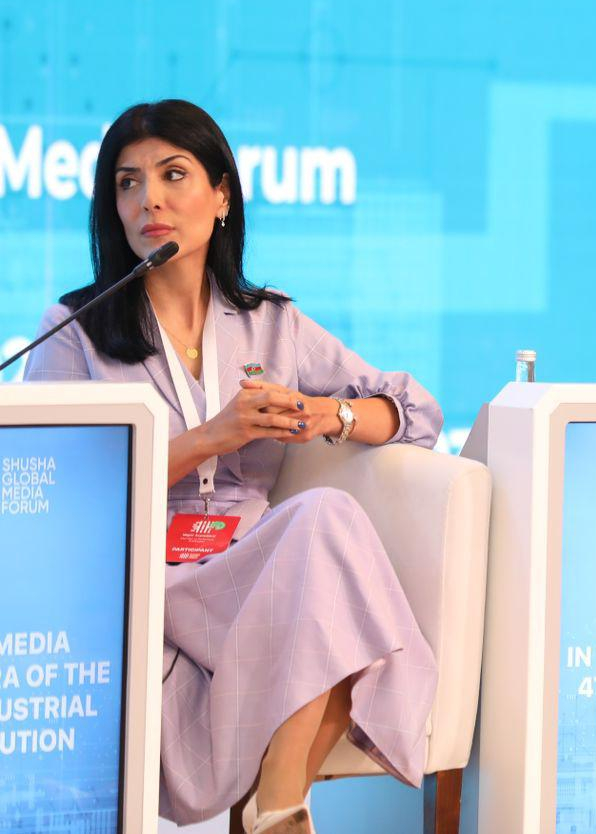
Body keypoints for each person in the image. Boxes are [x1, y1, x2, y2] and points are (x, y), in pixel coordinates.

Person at [24, 99, 439, 834]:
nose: (148, 200)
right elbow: (60, 496)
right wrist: (209, 438)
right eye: (127, 183)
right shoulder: (74, 330)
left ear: (221, 196)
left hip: (251, 576)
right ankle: (272, 807)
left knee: (327, 520)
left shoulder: (270, 322)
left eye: (172, 175)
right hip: (146, 576)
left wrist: (327, 415)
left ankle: (278, 796)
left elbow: (415, 411)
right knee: (336, 593)